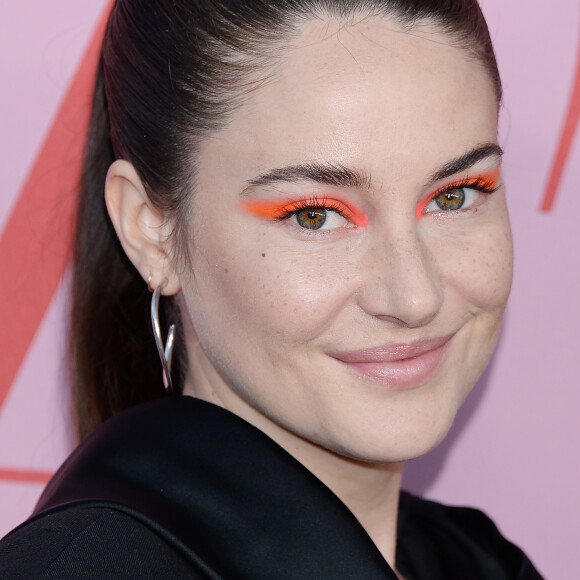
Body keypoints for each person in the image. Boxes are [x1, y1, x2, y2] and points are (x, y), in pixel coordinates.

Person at [0, 0, 543, 578]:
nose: (415, 298)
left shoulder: (482, 562)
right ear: (150, 231)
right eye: (314, 215)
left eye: (453, 195)